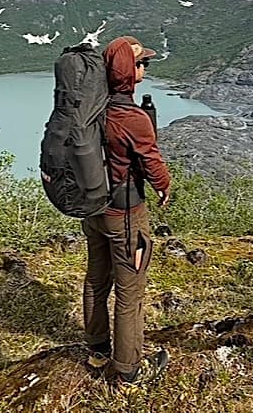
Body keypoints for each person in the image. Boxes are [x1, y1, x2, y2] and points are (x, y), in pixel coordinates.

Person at [82, 36, 173, 385]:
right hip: (126, 215)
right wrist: (164, 186)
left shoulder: (90, 108)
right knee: (130, 292)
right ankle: (129, 368)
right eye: (141, 63)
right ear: (127, 71)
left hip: (94, 208)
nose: (144, 68)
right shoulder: (130, 117)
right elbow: (151, 161)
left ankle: (97, 343)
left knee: (96, 278)